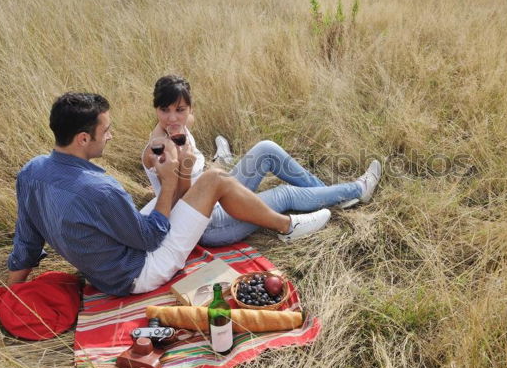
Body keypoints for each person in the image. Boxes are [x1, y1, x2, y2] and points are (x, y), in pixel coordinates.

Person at [6, 93, 332, 297]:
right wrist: (168, 183)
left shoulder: (32, 171)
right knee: (215, 180)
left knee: (197, 181)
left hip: (106, 269)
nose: (111, 136)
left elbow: (27, 238)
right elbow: (149, 238)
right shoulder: (101, 190)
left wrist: (14, 289)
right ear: (81, 138)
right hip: (137, 273)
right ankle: (286, 227)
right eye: (105, 131)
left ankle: (238, 187)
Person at [142, 75, 382, 246]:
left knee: (266, 149)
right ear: (155, 109)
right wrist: (185, 164)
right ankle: (358, 190)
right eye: (165, 110)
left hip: (218, 196)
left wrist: (176, 123)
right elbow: (184, 203)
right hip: (208, 224)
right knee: (284, 194)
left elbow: (182, 120)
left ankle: (328, 195)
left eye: (180, 109)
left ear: (190, 109)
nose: (173, 117)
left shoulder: (176, 126)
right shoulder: (161, 150)